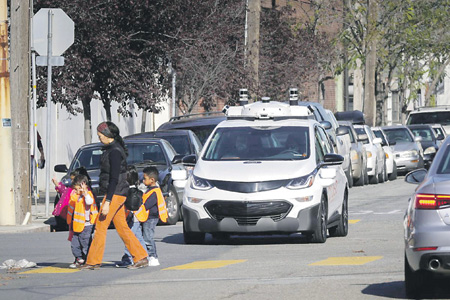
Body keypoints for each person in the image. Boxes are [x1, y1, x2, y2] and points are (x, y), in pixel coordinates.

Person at [81, 121, 148, 270]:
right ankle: (141, 256)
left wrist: (107, 201)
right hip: (117, 192)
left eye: (100, 136)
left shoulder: (115, 151)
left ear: (107, 135)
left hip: (116, 193)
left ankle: (93, 261)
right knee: (122, 227)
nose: (99, 138)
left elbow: (114, 178)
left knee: (100, 226)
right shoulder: (111, 149)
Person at [115, 166, 147, 268]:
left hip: (131, 217)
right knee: (138, 237)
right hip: (138, 217)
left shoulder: (126, 190)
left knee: (129, 238)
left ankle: (128, 258)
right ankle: (145, 256)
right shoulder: (137, 189)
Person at [66, 174, 98, 269]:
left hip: (86, 226)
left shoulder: (88, 195)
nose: (74, 191)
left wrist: (85, 192)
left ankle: (89, 260)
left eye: (76, 189)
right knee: (75, 244)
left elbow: (89, 202)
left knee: (85, 244)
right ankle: (79, 259)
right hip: (77, 226)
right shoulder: (78, 196)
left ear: (82, 186)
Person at [140, 166, 168, 267]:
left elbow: (147, 205)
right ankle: (150, 256)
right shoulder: (151, 190)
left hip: (151, 218)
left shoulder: (154, 192)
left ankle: (153, 257)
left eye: (144, 178)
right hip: (149, 217)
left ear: (152, 180)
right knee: (147, 236)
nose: (143, 180)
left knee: (148, 237)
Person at [51, 167, 91, 232]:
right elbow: (63, 191)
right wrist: (56, 184)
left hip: (75, 217)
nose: (72, 181)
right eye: (71, 179)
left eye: (73, 179)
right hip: (64, 214)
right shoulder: (70, 188)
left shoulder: (83, 191)